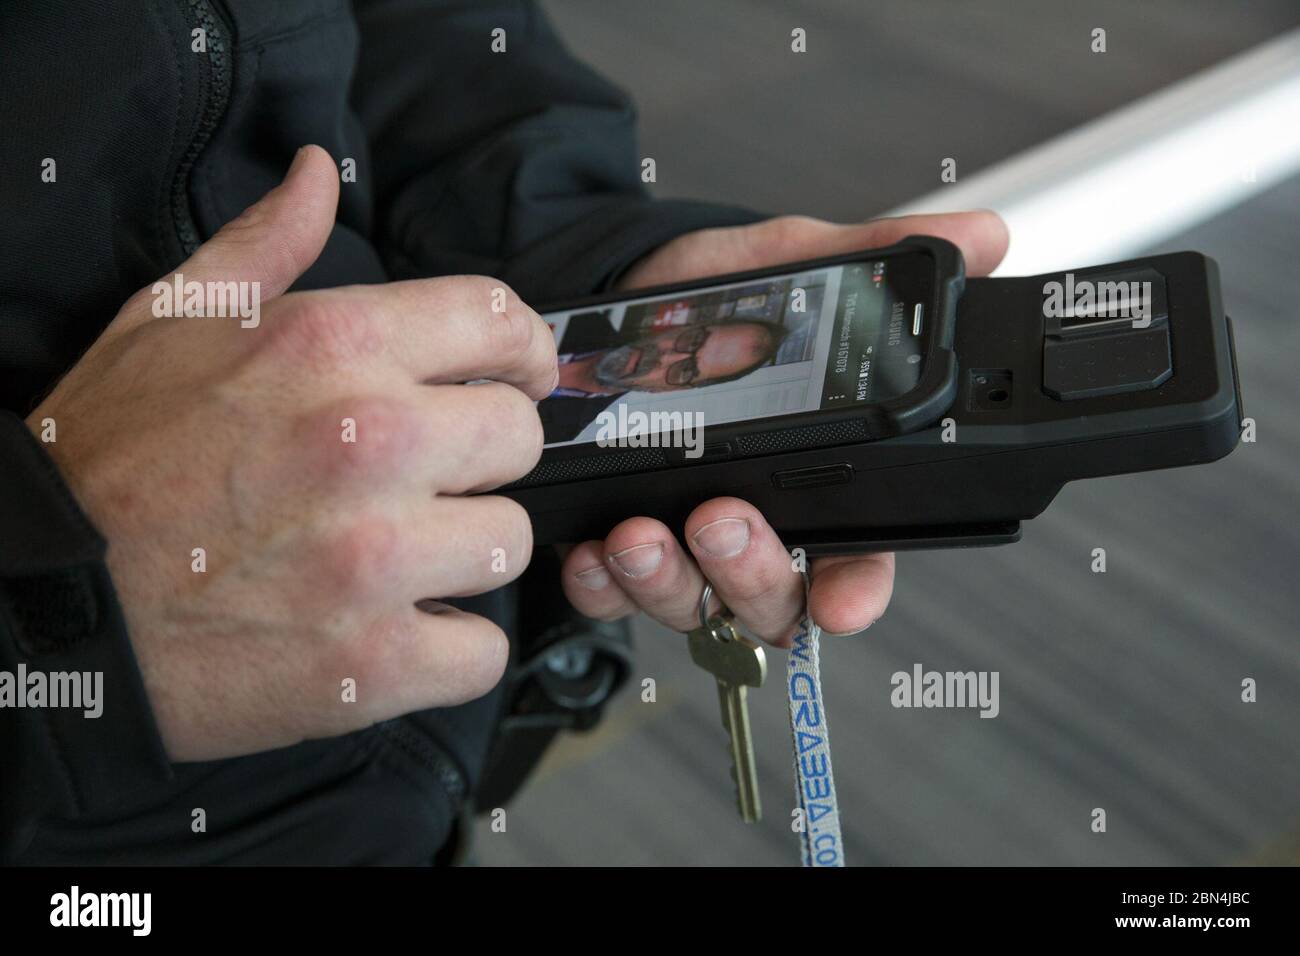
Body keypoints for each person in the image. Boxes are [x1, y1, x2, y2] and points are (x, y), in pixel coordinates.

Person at [0, 0, 1008, 864]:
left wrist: (579, 244)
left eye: (694, 362)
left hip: (399, 769)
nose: (663, 361)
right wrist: (51, 606)